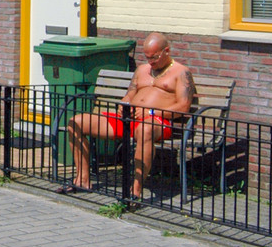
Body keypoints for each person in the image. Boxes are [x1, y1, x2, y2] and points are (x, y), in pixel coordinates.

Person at [62, 32, 195, 198]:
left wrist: (151, 111)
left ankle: (135, 190)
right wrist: (124, 105)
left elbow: (183, 107)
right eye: (147, 57)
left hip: (158, 121)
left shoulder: (181, 72)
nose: (151, 62)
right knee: (76, 122)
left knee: (145, 131)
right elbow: (129, 95)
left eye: (154, 57)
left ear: (166, 51)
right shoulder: (141, 70)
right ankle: (82, 179)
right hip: (129, 119)